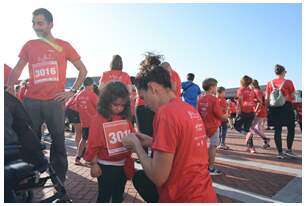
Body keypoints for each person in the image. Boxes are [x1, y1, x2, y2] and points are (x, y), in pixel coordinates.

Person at [6, 8, 88, 182]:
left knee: (58, 142)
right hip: (31, 102)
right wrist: (10, 87)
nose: (36, 27)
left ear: (51, 24)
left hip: (54, 102)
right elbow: (18, 68)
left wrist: (71, 92)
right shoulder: (29, 45)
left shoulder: (64, 45)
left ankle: (59, 178)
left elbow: (83, 70)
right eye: (34, 23)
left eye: (40, 23)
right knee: (29, 141)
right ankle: (30, 175)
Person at [122, 65, 217, 203]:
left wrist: (137, 146)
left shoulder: (165, 113)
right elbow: (184, 146)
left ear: (153, 88)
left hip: (181, 197)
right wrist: (152, 141)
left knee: (141, 178)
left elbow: (158, 176)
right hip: (203, 193)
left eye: (143, 97)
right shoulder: (189, 109)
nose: (145, 105)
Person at [84, 81, 135, 203]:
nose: (119, 108)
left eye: (122, 105)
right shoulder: (98, 118)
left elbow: (131, 136)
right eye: (115, 104)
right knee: (104, 196)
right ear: (106, 102)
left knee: (118, 196)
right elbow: (93, 143)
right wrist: (94, 163)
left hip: (122, 165)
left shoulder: (125, 117)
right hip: (105, 166)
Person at [266, 64, 297, 159]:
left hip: (274, 108)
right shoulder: (288, 82)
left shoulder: (270, 83)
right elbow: (293, 97)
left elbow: (267, 98)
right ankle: (289, 150)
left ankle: (280, 152)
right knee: (291, 128)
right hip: (286, 107)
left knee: (277, 130)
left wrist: (268, 108)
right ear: (283, 72)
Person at [198, 79, 228, 175]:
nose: (216, 89)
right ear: (211, 88)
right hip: (213, 126)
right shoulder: (214, 99)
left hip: (203, 126)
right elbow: (220, 116)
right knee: (213, 146)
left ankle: (201, 165)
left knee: (202, 146)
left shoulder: (200, 98)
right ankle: (210, 168)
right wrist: (226, 115)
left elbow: (198, 112)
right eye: (215, 86)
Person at [75, 77, 98, 165]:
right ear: (91, 85)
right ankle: (90, 158)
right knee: (92, 141)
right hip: (93, 122)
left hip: (84, 121)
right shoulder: (92, 95)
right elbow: (99, 107)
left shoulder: (79, 95)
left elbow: (77, 108)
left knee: (84, 139)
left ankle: (78, 158)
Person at [234, 75, 256, 153]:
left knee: (236, 126)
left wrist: (238, 110)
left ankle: (247, 134)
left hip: (243, 111)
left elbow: (240, 101)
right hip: (251, 111)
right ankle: (251, 147)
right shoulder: (251, 90)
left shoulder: (241, 90)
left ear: (242, 82)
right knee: (247, 128)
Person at [249, 80, 270, 149]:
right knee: (258, 128)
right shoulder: (259, 91)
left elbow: (259, 102)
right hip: (262, 110)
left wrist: (255, 110)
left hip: (259, 111)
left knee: (252, 127)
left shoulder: (256, 91)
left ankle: (265, 139)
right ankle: (265, 142)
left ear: (252, 85)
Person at [65, 90, 82, 163]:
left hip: (71, 111)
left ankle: (80, 152)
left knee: (79, 132)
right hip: (73, 111)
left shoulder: (78, 94)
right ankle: (79, 153)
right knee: (79, 132)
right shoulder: (81, 95)